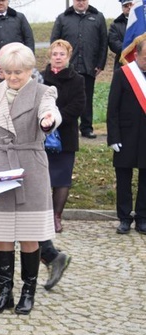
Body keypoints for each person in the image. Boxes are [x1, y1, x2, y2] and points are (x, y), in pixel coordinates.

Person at [0, 43, 61, 315]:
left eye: (19, 72)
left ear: (30, 70)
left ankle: (28, 292)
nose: (12, 77)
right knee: (1, 236)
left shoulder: (43, 91)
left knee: (29, 236)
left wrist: (48, 120)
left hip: (29, 171)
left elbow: (50, 111)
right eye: (8, 72)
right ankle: (5, 291)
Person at [42, 40, 85, 233]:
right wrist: (45, 118)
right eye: (55, 54)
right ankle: (42, 215)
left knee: (61, 179)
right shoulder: (40, 77)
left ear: (68, 57)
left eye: (62, 54)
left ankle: (56, 216)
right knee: (42, 178)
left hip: (65, 133)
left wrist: (55, 118)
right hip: (42, 133)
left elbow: (78, 106)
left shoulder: (77, 79)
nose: (58, 58)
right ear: (50, 56)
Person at [50, 0, 107, 139]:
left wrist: (100, 64)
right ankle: (66, 127)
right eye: (77, 0)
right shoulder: (63, 18)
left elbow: (103, 43)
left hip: (89, 66)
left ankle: (86, 128)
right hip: (68, 68)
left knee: (86, 98)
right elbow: (54, 42)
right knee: (66, 99)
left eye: (83, 0)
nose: (80, 3)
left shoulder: (98, 17)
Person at [107, 38, 146, 235]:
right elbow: (112, 108)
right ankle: (124, 218)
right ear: (136, 55)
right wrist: (113, 137)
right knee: (124, 179)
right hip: (126, 134)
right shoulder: (123, 74)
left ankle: (142, 217)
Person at [109, 0, 134, 71]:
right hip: (122, 63)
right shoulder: (115, 25)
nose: (129, 8)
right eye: (126, 6)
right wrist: (130, 49)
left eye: (131, 5)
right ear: (122, 8)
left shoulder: (143, 23)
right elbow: (113, 43)